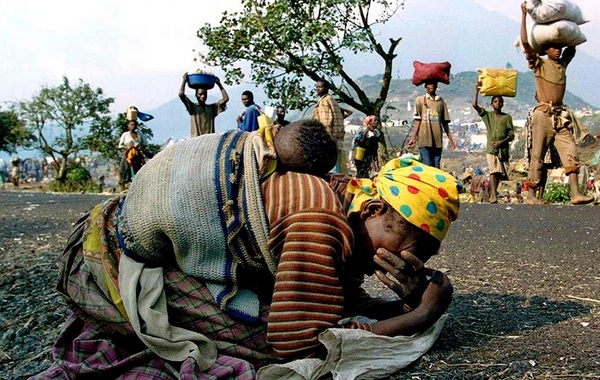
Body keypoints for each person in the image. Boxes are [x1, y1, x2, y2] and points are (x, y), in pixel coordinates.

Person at [34, 123, 460, 378]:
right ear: (372, 208)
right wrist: (419, 317)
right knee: (258, 347)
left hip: (114, 238)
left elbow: (337, 297)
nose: (412, 261)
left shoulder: (342, 199)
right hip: (104, 262)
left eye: (424, 256)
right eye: (411, 246)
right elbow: (305, 345)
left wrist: (402, 303)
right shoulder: (322, 218)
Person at [520, 2, 593, 205]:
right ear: (545, 49)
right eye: (553, 46)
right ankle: (531, 195)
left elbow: (572, 46)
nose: (557, 50)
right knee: (538, 155)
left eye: (559, 46)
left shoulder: (562, 64)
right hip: (543, 114)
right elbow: (526, 43)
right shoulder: (539, 64)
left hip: (560, 115)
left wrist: (567, 22)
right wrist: (524, 16)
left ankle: (575, 194)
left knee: (570, 151)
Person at [472, 83, 515, 204]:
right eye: (495, 101)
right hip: (491, 149)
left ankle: (492, 193)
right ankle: (494, 196)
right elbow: (475, 105)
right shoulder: (488, 116)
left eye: (500, 102)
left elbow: (511, 135)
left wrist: (501, 142)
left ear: (503, 104)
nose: (498, 104)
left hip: (502, 150)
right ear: (492, 104)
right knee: (493, 171)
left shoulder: (507, 118)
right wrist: (476, 91)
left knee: (499, 174)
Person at [407, 81, 456, 169]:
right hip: (424, 138)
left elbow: (444, 122)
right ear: (425, 86)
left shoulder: (440, 102)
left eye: (434, 84)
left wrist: (450, 139)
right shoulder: (420, 100)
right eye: (429, 83)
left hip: (437, 140)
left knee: (436, 166)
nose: (432, 85)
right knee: (427, 165)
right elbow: (418, 120)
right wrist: (413, 138)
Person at [179, 73, 229, 137]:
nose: (203, 96)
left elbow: (225, 99)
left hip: (209, 141)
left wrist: (219, 84)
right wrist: (184, 81)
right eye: (200, 94)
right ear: (196, 95)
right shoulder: (193, 108)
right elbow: (181, 94)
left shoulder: (211, 108)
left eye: (205, 94)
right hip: (196, 141)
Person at [313, 79, 347, 174]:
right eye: (317, 87)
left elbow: (326, 121)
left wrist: (324, 138)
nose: (318, 89)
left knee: (329, 163)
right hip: (336, 136)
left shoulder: (324, 102)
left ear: (326, 88)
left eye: (320, 87)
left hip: (329, 136)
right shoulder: (332, 100)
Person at [118, 119, 147, 191]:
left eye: (135, 125)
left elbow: (145, 144)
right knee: (125, 169)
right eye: (131, 124)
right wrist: (128, 148)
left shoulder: (140, 134)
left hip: (137, 155)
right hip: (128, 155)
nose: (133, 126)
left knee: (141, 169)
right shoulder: (125, 135)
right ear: (128, 126)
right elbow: (121, 145)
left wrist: (140, 148)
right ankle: (125, 183)